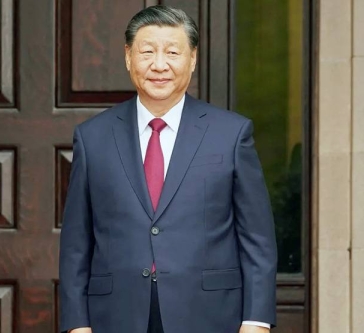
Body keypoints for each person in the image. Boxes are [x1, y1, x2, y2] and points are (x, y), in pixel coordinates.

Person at [58, 5, 277, 333]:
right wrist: (77, 324)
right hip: (116, 316)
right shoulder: (93, 137)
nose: (159, 65)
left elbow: (257, 237)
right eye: (147, 51)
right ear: (128, 57)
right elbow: (77, 242)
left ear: (192, 59)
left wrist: (256, 321)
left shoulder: (230, 134)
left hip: (210, 315)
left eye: (173, 52)